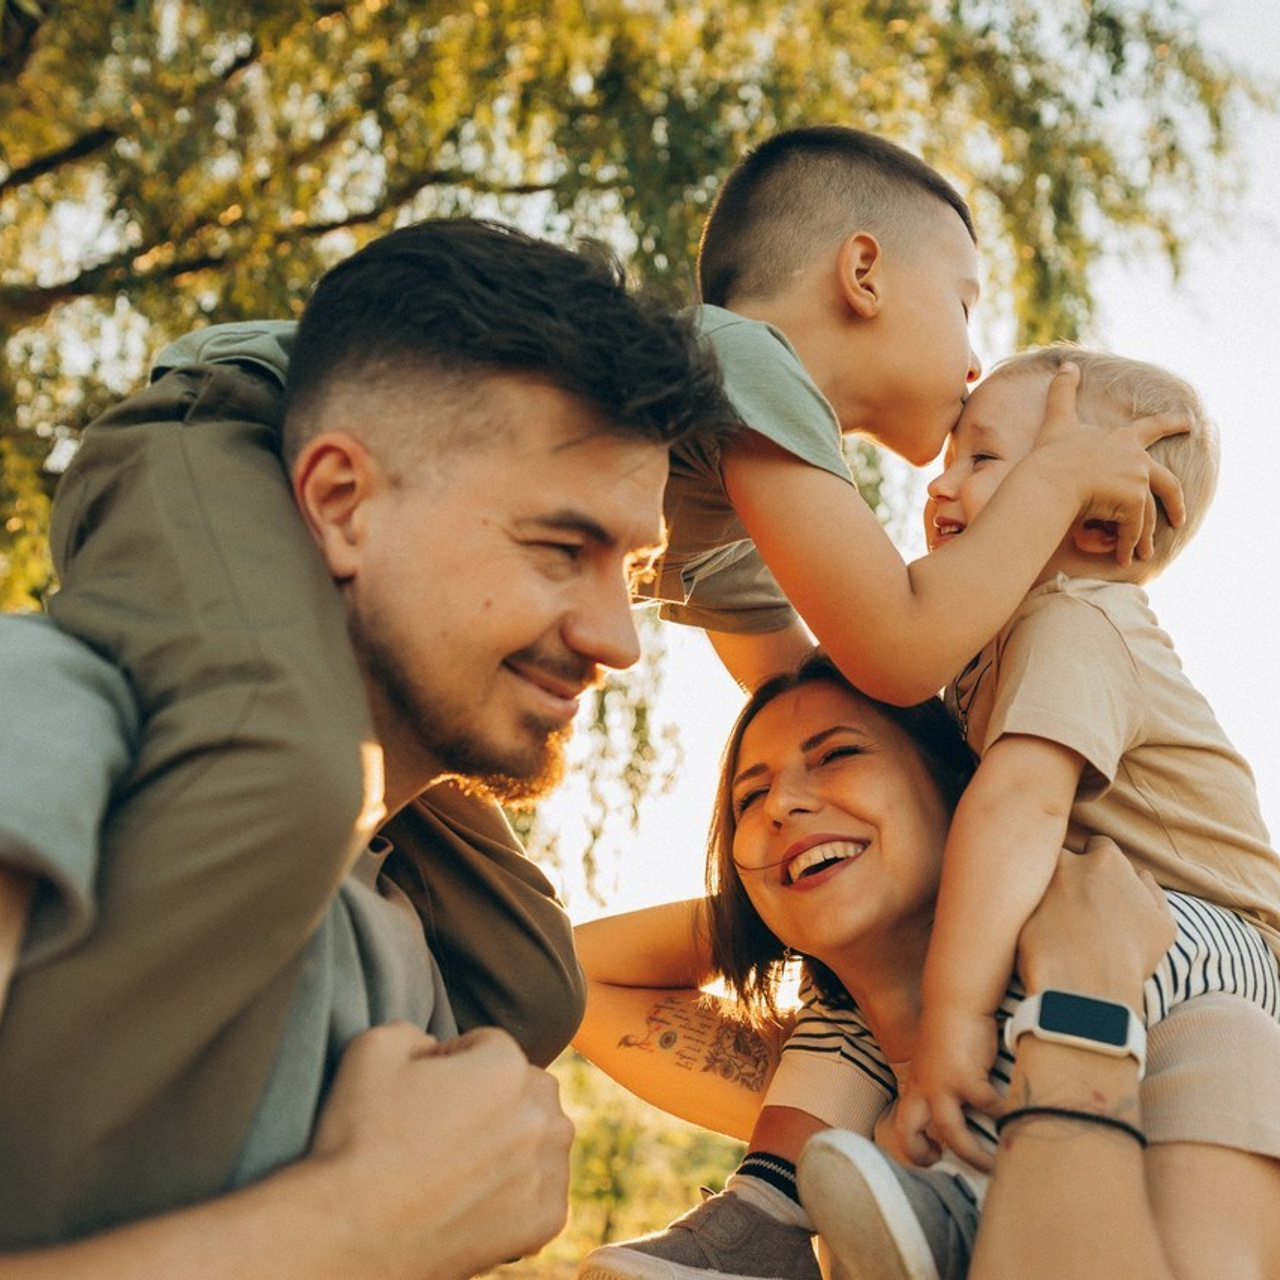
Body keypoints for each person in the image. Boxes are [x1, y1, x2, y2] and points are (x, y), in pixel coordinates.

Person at [0, 217, 728, 1273]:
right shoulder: (47, 717)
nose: (616, 638)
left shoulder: (416, 948)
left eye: (631, 567)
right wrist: (348, 1233)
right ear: (340, 501)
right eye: (560, 547)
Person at [571, 655, 1280, 1280]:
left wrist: (1077, 1013)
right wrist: (774, 899)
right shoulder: (830, 1084)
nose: (782, 803)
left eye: (838, 754)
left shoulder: (1199, 1031)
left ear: (959, 794)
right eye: (750, 799)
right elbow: (573, 974)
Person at [894, 345, 1280, 1167]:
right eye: (949, 456)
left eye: (984, 457)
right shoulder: (981, 652)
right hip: (1127, 936)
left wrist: (952, 1015)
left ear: (1104, 519)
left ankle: (968, 1184)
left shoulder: (1077, 617)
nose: (939, 483)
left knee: (997, 936)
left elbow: (1019, 808)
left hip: (1218, 943)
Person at [634, 124, 1187, 697]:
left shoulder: (732, 510)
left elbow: (806, 694)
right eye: (963, 304)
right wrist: (1057, 478)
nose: (975, 364)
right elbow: (901, 652)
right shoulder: (740, 354)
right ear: (864, 275)